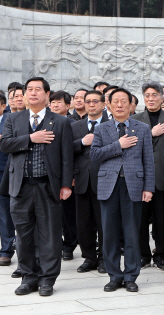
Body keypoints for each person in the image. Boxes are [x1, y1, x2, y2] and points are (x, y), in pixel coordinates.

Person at [0, 77, 74, 296]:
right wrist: (31, 138)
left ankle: (47, 279)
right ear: (23, 95)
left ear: (47, 95)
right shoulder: (13, 118)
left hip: (47, 186)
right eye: (29, 89)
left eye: (37, 90)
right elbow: (4, 144)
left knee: (49, 234)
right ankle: (28, 276)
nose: (32, 93)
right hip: (20, 186)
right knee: (23, 234)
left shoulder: (60, 122)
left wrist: (65, 185)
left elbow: (67, 157)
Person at [90, 87, 155, 293]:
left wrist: (148, 187)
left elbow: (149, 161)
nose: (119, 105)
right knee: (109, 234)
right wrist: (118, 145)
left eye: (123, 101)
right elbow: (94, 155)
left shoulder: (142, 128)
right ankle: (114, 276)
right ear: (108, 104)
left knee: (132, 232)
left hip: (133, 186)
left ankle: (130, 276)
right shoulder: (102, 129)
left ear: (131, 105)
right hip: (109, 185)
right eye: (115, 101)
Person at [131, 82, 164, 270]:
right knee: (141, 220)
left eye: (154, 95)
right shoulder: (135, 119)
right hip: (140, 177)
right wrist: (151, 133)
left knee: (161, 220)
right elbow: (133, 146)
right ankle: (144, 255)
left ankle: (160, 255)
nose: (150, 98)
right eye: (147, 95)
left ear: (161, 97)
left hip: (163, 176)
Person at [71, 90, 109, 274]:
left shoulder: (111, 125)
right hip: (81, 180)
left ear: (103, 104)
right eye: (88, 101)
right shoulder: (75, 126)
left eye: (95, 101)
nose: (91, 104)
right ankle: (89, 258)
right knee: (83, 223)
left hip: (105, 179)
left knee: (104, 222)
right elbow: (66, 150)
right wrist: (81, 143)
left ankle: (104, 258)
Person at [49, 91, 79, 261]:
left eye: (59, 102)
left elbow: (72, 152)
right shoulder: (43, 122)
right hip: (49, 174)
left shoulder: (73, 124)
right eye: (52, 102)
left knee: (68, 214)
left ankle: (69, 245)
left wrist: (70, 176)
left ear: (68, 105)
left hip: (67, 175)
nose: (55, 105)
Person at [0, 94, 14, 267]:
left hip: (4, 171)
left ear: (3, 106)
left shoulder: (10, 121)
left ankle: (6, 250)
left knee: (5, 213)